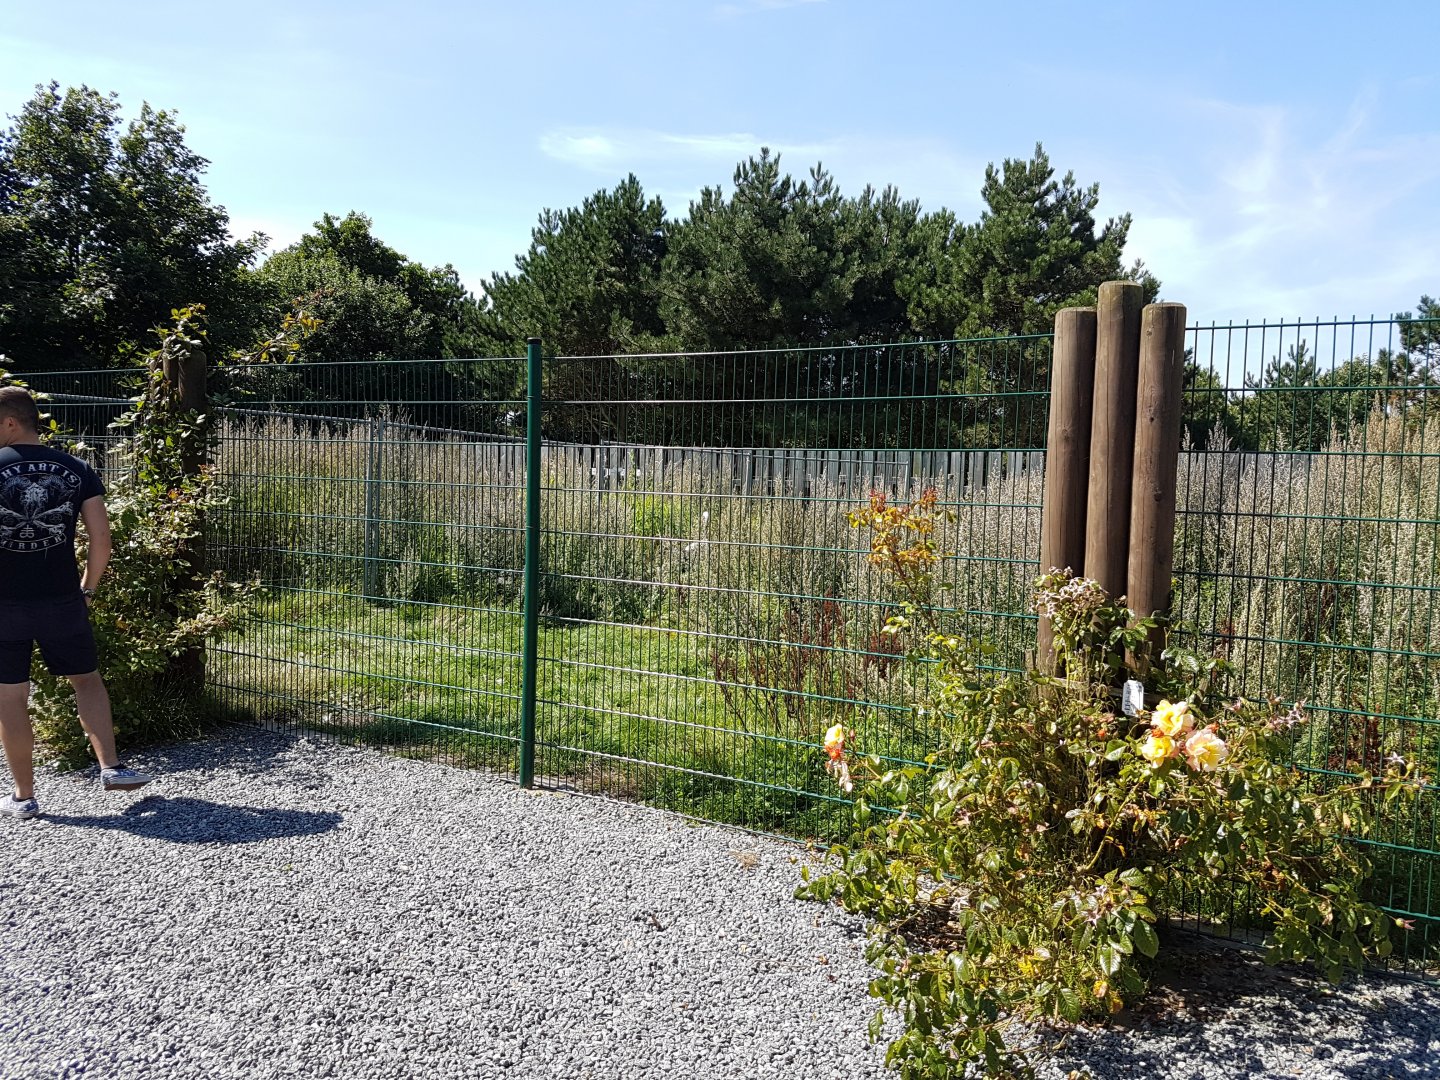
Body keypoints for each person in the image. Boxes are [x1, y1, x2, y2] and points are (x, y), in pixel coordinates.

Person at [0, 386, 150, 820]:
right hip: (63, 599)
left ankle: (24, 798)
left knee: (10, 697)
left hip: (4, 605)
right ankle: (112, 767)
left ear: (10, 422)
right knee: (86, 681)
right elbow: (101, 540)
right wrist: (87, 588)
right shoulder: (76, 468)